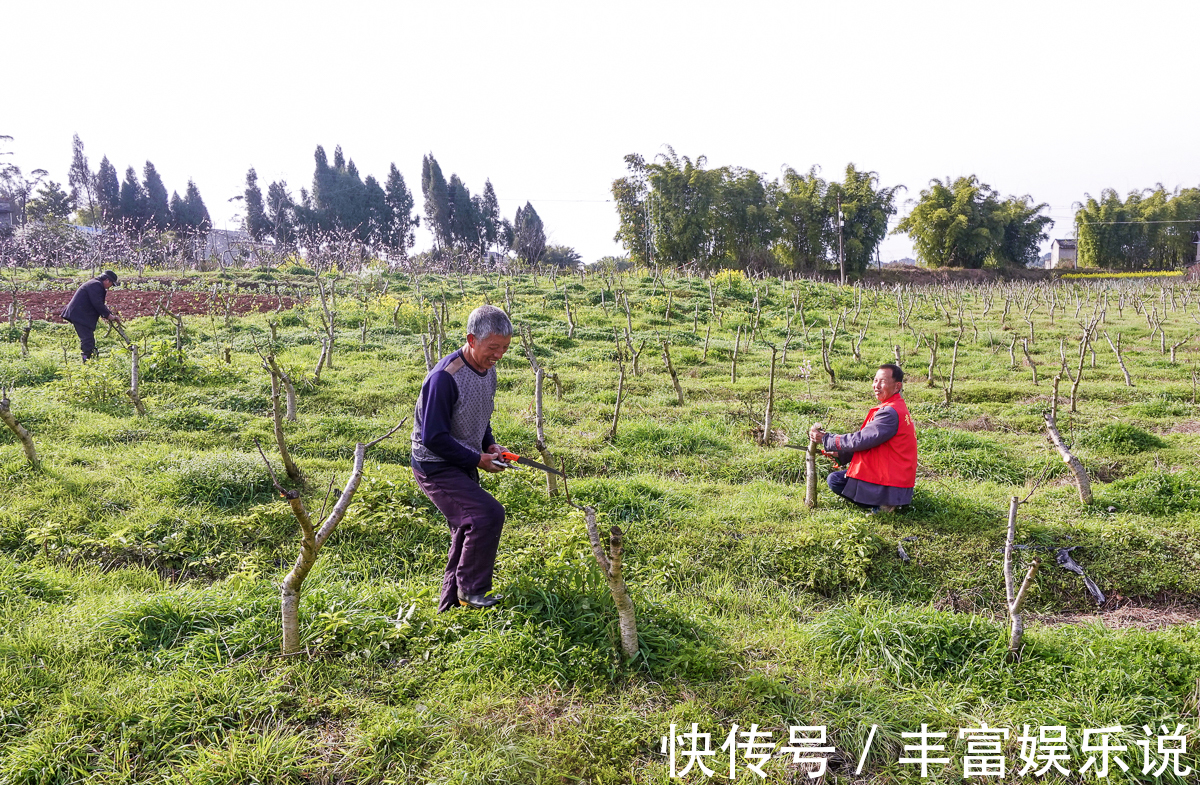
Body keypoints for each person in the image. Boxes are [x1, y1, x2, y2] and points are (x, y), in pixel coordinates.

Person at [411, 305, 513, 611]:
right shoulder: (444, 377)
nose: (498, 355)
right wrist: (477, 459)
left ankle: (451, 607)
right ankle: (472, 591)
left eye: (505, 348)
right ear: (471, 339)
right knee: (486, 515)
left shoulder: (488, 370)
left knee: (467, 526)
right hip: (435, 466)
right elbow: (434, 437)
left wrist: (490, 445)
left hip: (462, 459)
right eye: (493, 347)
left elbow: (480, 415)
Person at [809, 363, 917, 513]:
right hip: (897, 478)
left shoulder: (889, 413)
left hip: (893, 483)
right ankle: (888, 500)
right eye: (875, 380)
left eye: (882, 381)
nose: (876, 385)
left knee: (835, 480)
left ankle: (884, 505)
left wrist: (827, 439)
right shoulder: (895, 407)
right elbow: (874, 443)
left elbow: (861, 440)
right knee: (843, 476)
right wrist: (843, 454)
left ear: (897, 386)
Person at [61, 270, 122, 361]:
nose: (110, 287)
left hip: (82, 315)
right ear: (107, 280)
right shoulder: (95, 285)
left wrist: (108, 314)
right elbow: (97, 304)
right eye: (111, 284)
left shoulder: (95, 283)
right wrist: (109, 316)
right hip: (79, 315)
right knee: (87, 341)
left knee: (89, 340)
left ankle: (89, 359)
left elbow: (99, 304)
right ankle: (86, 360)